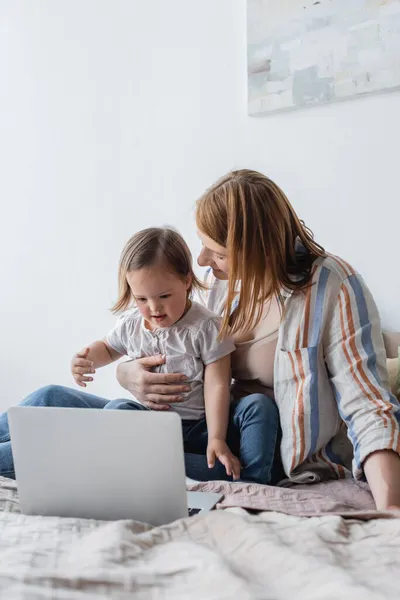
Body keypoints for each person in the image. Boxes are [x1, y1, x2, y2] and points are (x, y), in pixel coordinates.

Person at [116, 169, 400, 510]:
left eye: (216, 252)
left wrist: (391, 510)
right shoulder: (217, 284)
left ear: (256, 250)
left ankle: (119, 463)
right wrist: (126, 374)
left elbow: (368, 406)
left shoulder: (333, 287)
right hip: (206, 430)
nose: (202, 261)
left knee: (119, 449)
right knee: (49, 399)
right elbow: (164, 340)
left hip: (267, 452)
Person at [0, 226, 280, 485]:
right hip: (151, 428)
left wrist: (217, 438)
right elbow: (109, 347)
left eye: (164, 296)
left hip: (201, 427)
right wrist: (86, 359)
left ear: (186, 281)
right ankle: (144, 462)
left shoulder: (205, 326)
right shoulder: (133, 323)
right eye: (142, 299)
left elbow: (218, 383)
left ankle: (249, 482)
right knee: (92, 405)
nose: (154, 308)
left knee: (258, 404)